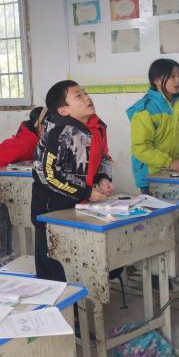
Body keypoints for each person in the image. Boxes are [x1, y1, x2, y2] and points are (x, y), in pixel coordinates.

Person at [32, 81, 113, 281]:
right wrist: (87, 192)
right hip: (51, 210)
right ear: (63, 110)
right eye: (78, 96)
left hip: (78, 205)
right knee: (55, 268)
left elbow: (101, 158)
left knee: (78, 264)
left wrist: (102, 179)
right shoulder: (60, 133)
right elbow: (50, 173)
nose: (87, 97)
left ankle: (81, 299)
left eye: (85, 93)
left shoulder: (96, 128)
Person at [0, 106, 44, 262]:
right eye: (47, 124)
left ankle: (5, 252)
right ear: (39, 125)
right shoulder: (29, 141)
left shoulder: (33, 138)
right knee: (0, 216)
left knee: (7, 216)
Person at [127, 58, 179, 194]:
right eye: (172, 76)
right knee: (160, 209)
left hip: (174, 173)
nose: (178, 81)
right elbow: (141, 148)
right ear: (156, 80)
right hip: (151, 176)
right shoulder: (145, 110)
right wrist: (170, 162)